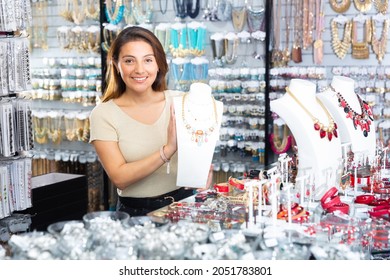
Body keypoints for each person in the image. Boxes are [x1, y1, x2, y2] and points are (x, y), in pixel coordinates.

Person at [89, 26, 211, 216]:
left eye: (148, 60)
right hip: (135, 214)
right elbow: (120, 178)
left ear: (158, 64)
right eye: (129, 61)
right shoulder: (103, 114)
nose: (139, 69)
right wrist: (168, 149)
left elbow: (201, 149)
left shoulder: (181, 101)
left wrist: (203, 171)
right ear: (116, 64)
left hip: (184, 206)